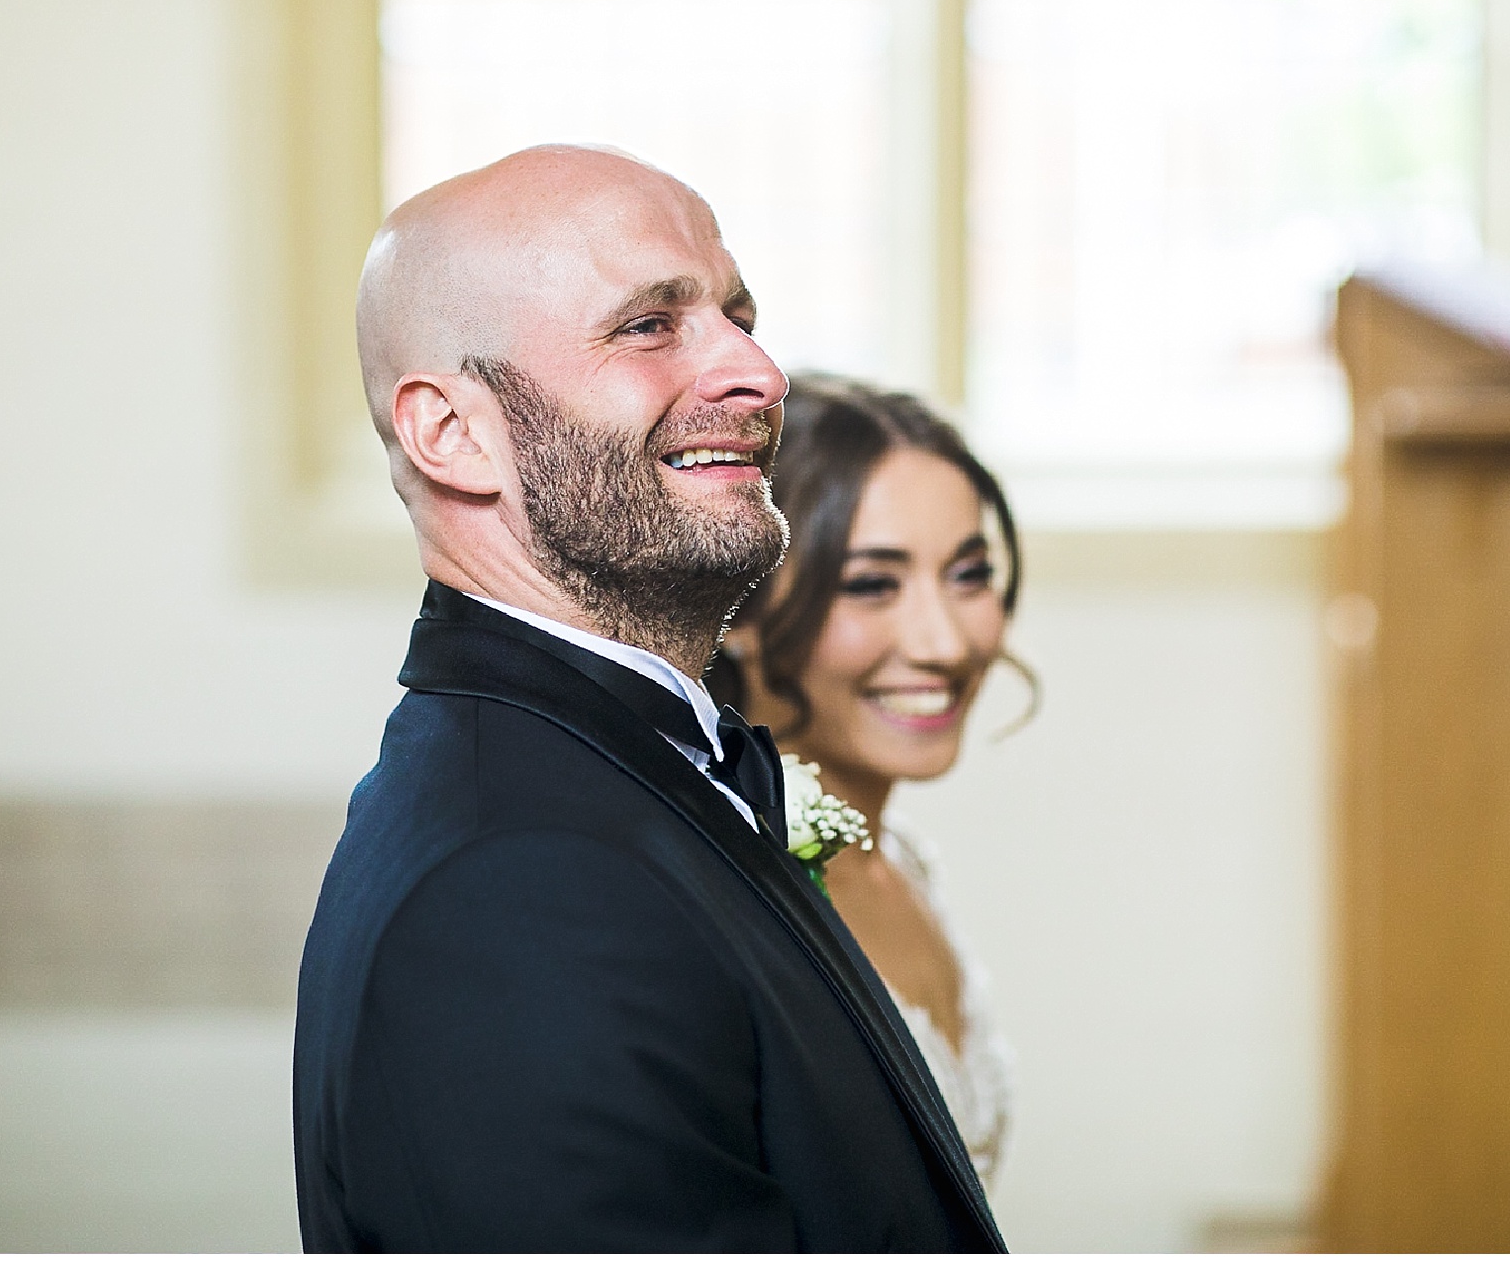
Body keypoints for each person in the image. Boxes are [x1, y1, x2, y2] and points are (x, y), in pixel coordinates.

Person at [293, 144, 1004, 1252]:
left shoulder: (633, 760)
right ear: (451, 432)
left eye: (738, 313)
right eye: (648, 324)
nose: (760, 374)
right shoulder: (516, 882)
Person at [708, 375, 1036, 1187]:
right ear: (738, 611)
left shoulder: (904, 864)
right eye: (871, 584)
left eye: (968, 574)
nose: (944, 642)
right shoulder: (732, 894)